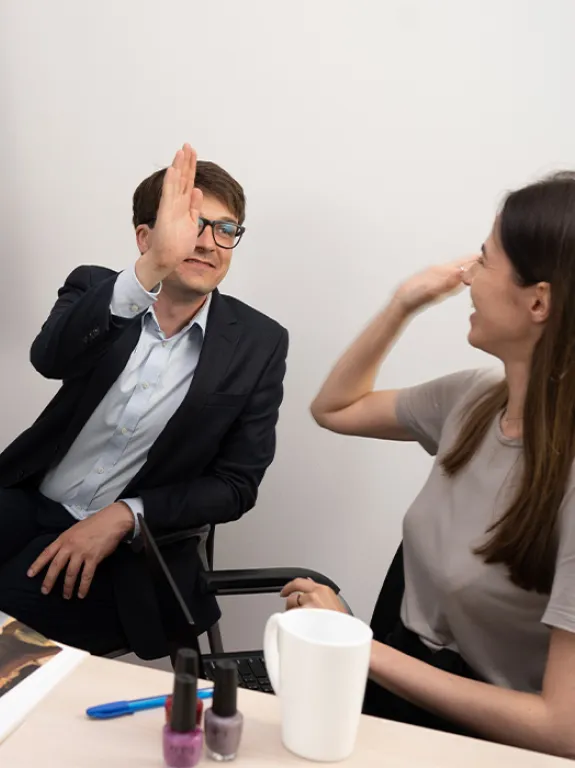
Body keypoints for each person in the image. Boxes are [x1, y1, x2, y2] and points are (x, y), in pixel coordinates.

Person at [282, 172, 575, 758]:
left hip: (479, 746)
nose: (466, 275)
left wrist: (355, 642)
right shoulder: (471, 399)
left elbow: (560, 728)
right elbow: (334, 408)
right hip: (389, 703)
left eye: (485, 261)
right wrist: (403, 303)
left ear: (538, 301)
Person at [0, 144, 288, 658]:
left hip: (125, 551)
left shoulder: (258, 343)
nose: (208, 243)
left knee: (10, 638)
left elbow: (236, 485)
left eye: (225, 229)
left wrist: (124, 515)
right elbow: (50, 359)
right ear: (146, 235)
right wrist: (149, 269)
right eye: (191, 223)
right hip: (27, 500)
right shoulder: (97, 289)